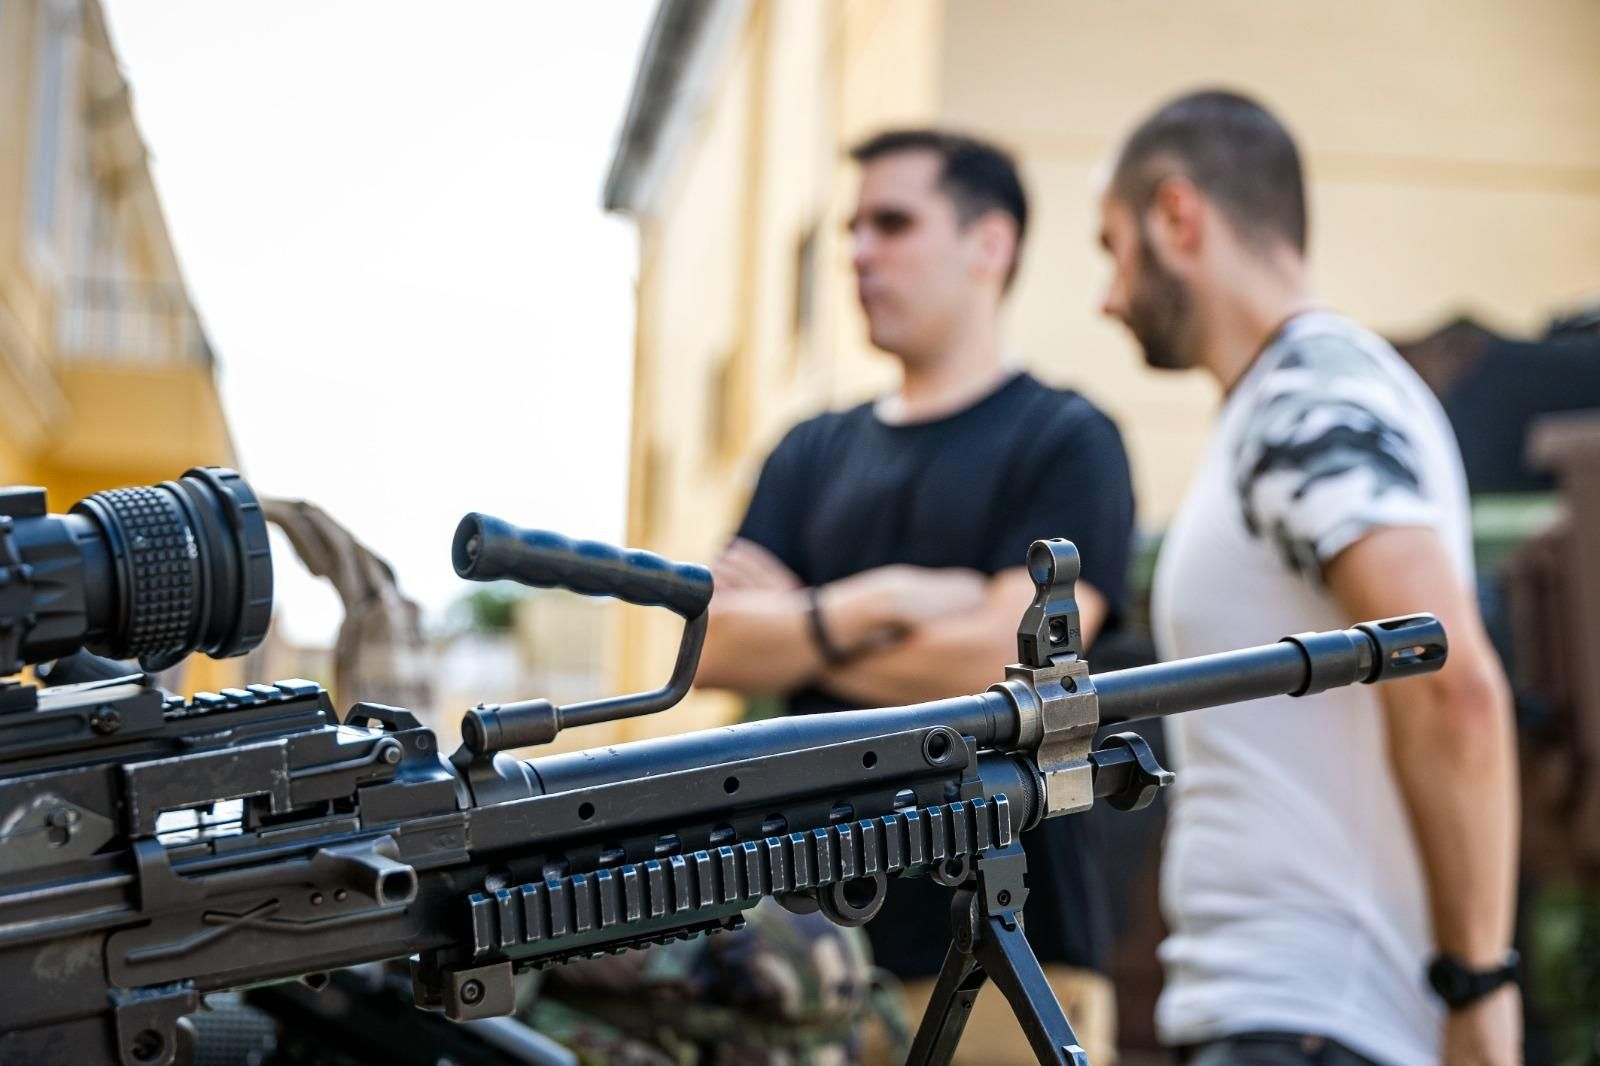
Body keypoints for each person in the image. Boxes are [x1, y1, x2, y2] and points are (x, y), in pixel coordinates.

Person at [1096, 90, 1520, 1066]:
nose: (1106, 296)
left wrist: (1480, 989)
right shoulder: (1279, 406)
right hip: (1289, 1018)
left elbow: (1447, 678)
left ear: (1176, 216)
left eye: (1111, 245)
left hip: (1315, 1022)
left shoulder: (1308, 397)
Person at [694, 128, 1136, 1064]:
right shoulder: (808, 450)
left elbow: (1004, 662)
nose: (858, 253)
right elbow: (715, 647)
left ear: (991, 245)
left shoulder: (1067, 438)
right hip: (801, 951)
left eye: (892, 224)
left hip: (1009, 949)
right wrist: (874, 603)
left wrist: (800, 619)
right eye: (853, 228)